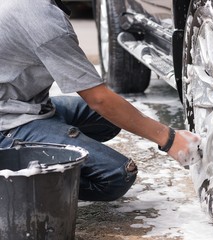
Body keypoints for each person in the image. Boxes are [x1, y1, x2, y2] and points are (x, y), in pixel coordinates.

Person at [0, 0, 202, 201]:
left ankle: (49, 138)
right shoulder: (41, 19)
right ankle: (13, 177)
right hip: (7, 125)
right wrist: (168, 139)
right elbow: (98, 99)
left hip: (22, 106)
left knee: (108, 121)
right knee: (117, 176)